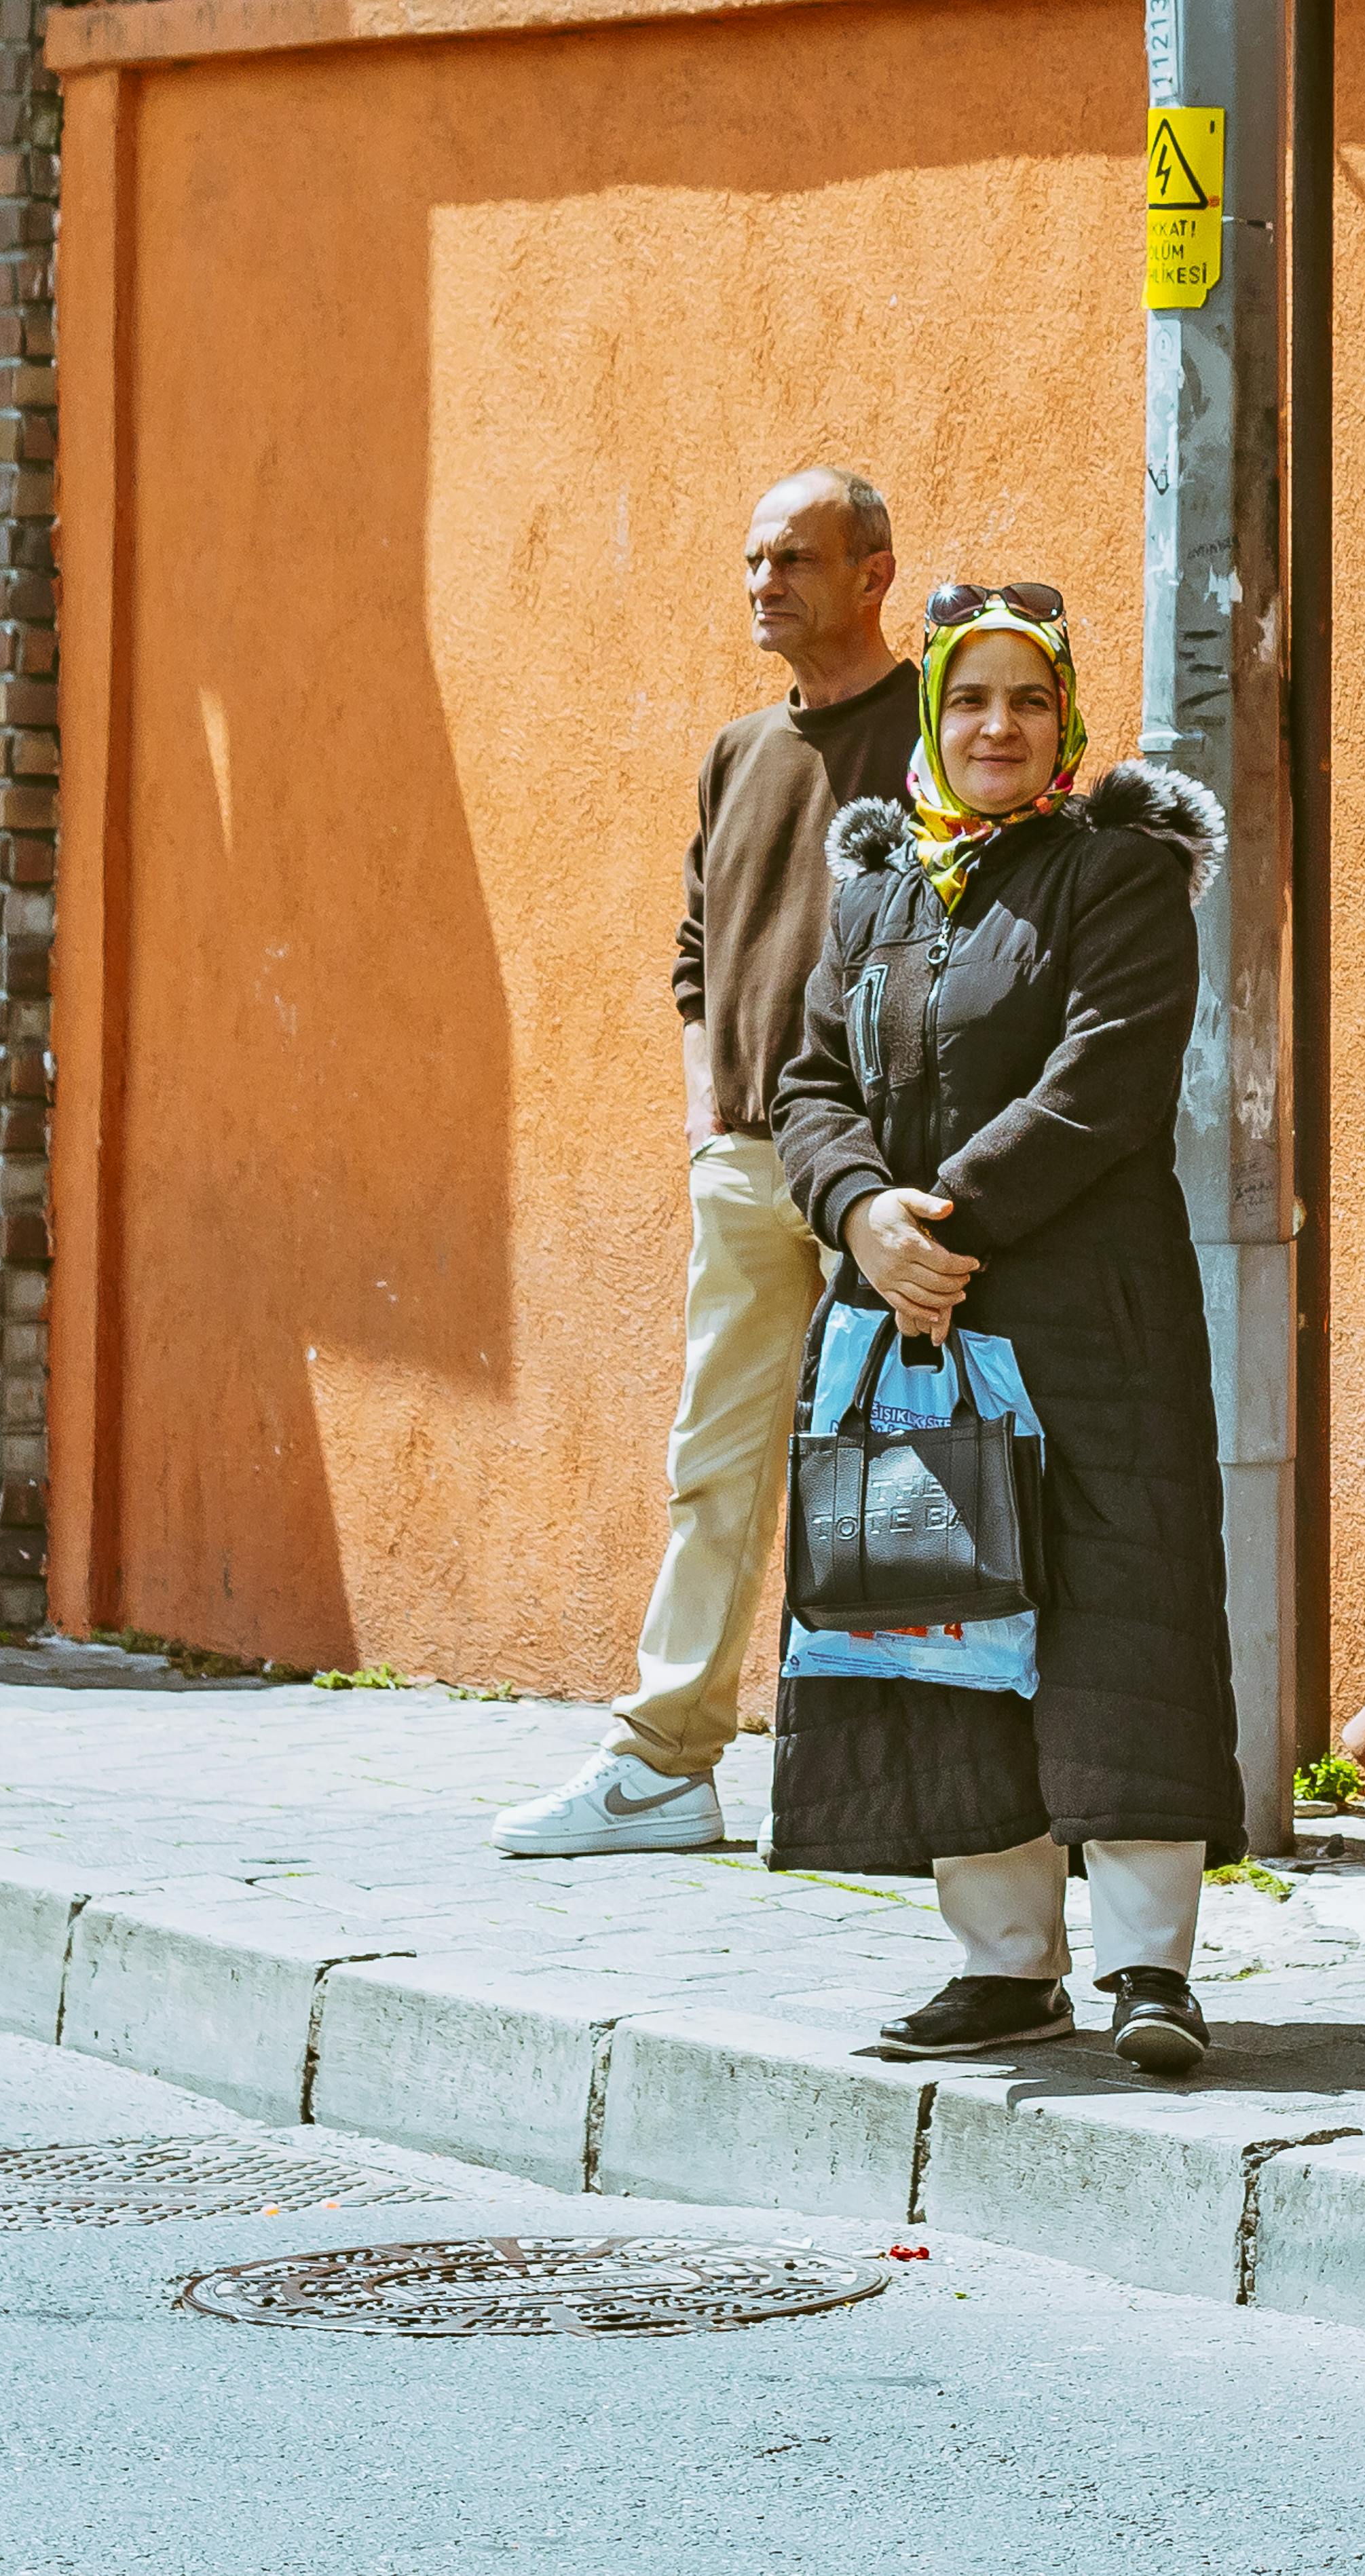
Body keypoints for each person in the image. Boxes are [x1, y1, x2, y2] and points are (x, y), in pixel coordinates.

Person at [767, 582, 1246, 2075]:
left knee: (1121, 1623)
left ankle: (1149, 1967)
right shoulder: (876, 892)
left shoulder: (1113, 877)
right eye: (969, 697)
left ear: (1066, 721)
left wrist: (941, 1225)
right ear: (932, 712)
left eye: (1027, 700)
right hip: (911, 1329)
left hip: (1087, 1328)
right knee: (936, 1625)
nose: (996, 726)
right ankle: (1002, 1966)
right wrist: (861, 1218)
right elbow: (805, 1084)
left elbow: (1104, 1081)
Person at [496, 468, 910, 1861]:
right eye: (749, 560)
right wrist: (704, 1122)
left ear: (875, 572)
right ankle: (668, 1758)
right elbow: (694, 959)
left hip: (883, 1168)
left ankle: (936, 1771)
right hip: (746, 1164)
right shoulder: (741, 750)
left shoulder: (940, 731)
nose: (762, 582)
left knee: (920, 1461)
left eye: (793, 557)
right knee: (716, 1463)